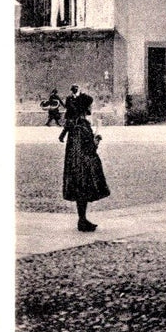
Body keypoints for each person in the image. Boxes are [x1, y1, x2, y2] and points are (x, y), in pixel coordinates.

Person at [61, 92, 109, 231]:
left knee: (81, 193)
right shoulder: (82, 125)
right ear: (85, 108)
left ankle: (82, 219)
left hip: (76, 163)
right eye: (90, 106)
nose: (91, 108)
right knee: (83, 191)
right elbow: (91, 146)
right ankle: (82, 221)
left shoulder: (75, 123)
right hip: (83, 164)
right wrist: (98, 134)